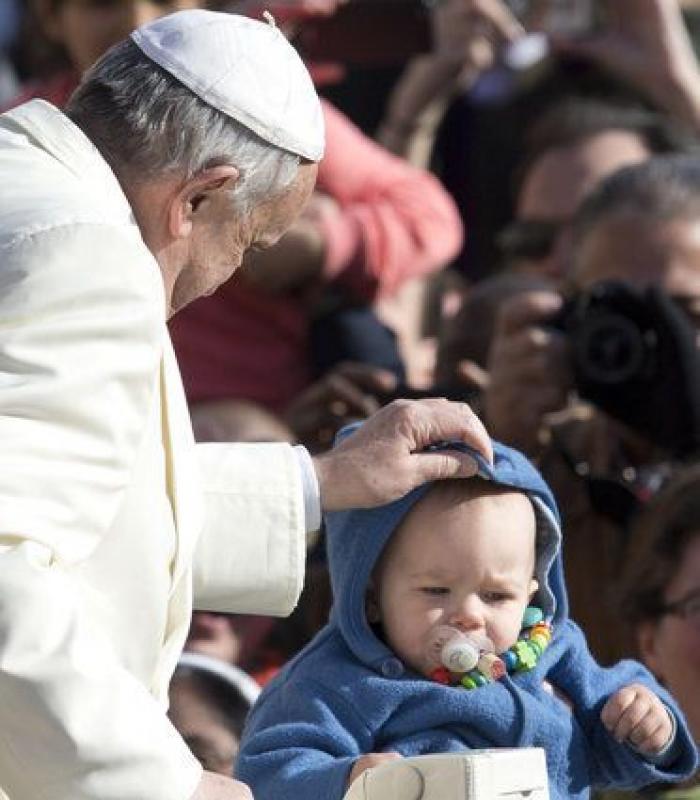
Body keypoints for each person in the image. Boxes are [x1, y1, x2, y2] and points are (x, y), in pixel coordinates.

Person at [0, 10, 493, 800]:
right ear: (200, 196)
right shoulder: (83, 253)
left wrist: (318, 483)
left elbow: (84, 505)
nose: (229, 274)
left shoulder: (26, 181)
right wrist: (166, 785)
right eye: (251, 244)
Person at [236, 431, 697, 800]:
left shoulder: (552, 655)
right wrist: (347, 781)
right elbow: (268, 772)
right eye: (436, 590)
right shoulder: (337, 682)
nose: (468, 615)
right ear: (372, 596)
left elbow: (608, 753)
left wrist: (648, 725)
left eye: (496, 595)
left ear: (531, 594)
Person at [483, 154, 700, 664]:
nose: (655, 340)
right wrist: (495, 459)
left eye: (684, 313)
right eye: (619, 310)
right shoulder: (536, 477)